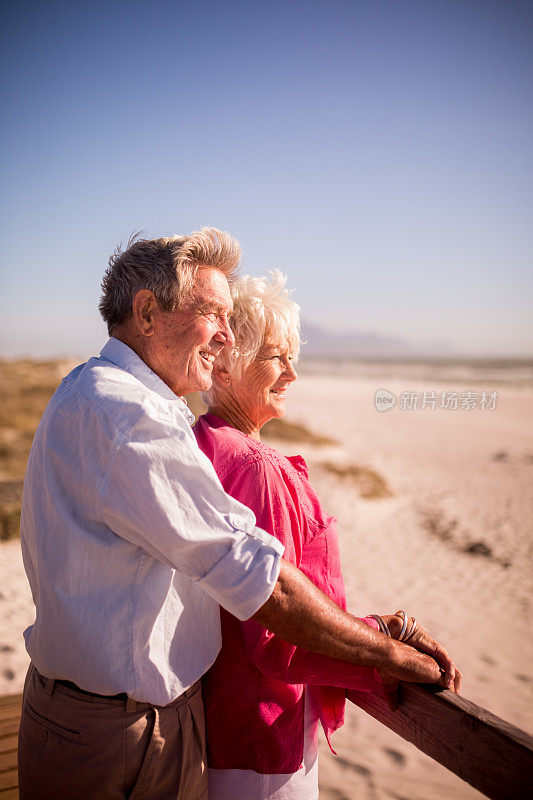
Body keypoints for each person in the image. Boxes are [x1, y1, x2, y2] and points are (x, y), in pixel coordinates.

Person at [18, 229, 459, 800]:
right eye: (213, 315)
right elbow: (262, 584)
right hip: (123, 734)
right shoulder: (130, 418)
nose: (225, 339)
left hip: (88, 714)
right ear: (147, 311)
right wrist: (390, 650)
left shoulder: (92, 389)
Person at [194, 270, 462, 800]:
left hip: (220, 723)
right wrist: (386, 647)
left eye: (293, 356)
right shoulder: (253, 466)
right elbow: (276, 629)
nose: (292, 373)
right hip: (263, 736)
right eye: (276, 356)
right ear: (223, 364)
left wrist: (385, 629)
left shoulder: (203, 444)